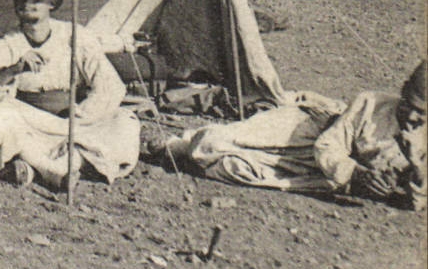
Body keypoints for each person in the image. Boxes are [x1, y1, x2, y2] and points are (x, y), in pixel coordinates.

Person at [153, 62, 425, 210]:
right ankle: (180, 144)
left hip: (320, 177)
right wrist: (355, 173)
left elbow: (418, 201)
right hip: (305, 132)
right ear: (402, 91)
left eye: (422, 115)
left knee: (232, 168)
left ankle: (197, 160)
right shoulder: (371, 103)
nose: (413, 118)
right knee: (209, 144)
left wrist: (416, 166)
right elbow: (328, 144)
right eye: (409, 106)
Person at [0, 0, 140, 190]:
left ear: (51, 3)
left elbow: (109, 85)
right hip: (34, 120)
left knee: (125, 121)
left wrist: (80, 115)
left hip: (76, 118)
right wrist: (15, 69)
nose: (27, 3)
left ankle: (51, 164)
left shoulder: (75, 35)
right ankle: (54, 169)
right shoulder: (8, 44)